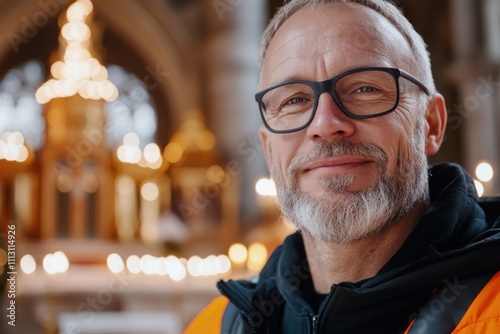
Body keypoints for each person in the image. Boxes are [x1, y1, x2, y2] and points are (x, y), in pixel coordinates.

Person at [185, 0, 500, 333]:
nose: (325, 123)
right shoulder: (215, 324)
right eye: (294, 99)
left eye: (365, 89)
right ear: (267, 148)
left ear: (431, 124)